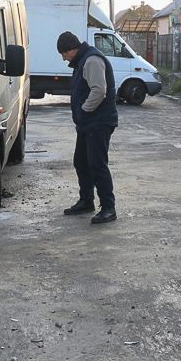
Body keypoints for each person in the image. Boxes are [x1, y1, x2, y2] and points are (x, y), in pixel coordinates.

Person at [57, 31, 118, 224]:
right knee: (81, 162)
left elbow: (99, 91)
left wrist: (83, 110)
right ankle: (86, 201)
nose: (63, 57)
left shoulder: (91, 60)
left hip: (99, 122)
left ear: (71, 49)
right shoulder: (82, 60)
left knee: (97, 165)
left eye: (64, 53)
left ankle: (108, 208)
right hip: (88, 123)